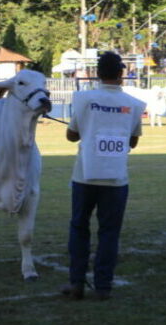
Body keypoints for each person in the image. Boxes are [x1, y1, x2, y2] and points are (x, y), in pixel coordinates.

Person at [62, 51, 146, 300]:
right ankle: (103, 286)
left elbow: (72, 135)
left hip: (84, 176)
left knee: (79, 227)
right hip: (116, 177)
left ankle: (77, 283)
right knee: (109, 232)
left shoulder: (83, 99)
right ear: (121, 74)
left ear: (97, 73)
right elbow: (133, 141)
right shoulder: (134, 104)